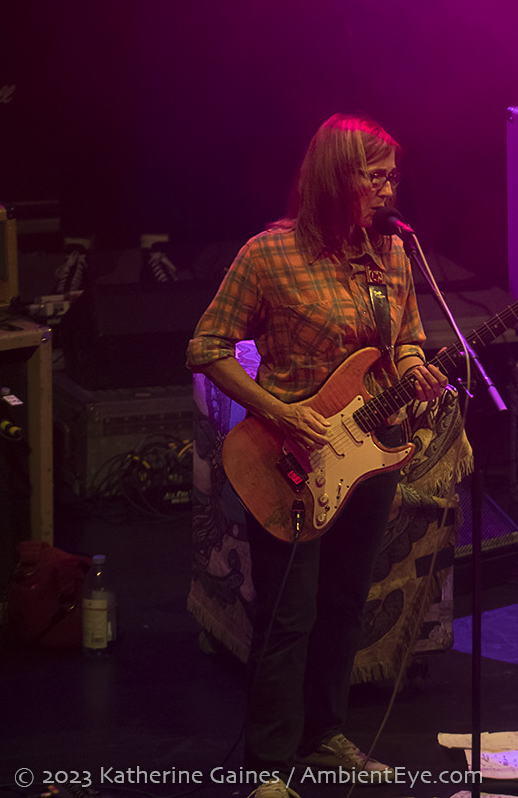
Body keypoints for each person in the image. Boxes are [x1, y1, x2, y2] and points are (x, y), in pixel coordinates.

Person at [187, 114, 449, 796]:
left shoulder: (389, 253)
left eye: (393, 175)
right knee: (288, 616)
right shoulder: (268, 254)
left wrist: (416, 366)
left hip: (366, 456)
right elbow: (206, 346)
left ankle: (324, 735)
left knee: (343, 604)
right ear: (338, 177)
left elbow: (410, 338)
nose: (391, 189)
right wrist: (278, 410)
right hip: (289, 459)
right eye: (376, 176)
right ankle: (269, 770)